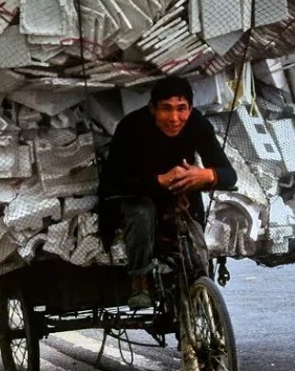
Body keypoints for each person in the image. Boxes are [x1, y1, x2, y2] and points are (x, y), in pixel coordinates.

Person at [98, 77, 237, 309]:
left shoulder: (196, 124)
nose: (174, 119)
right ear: (153, 109)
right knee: (142, 212)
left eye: (181, 109)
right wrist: (159, 180)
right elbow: (111, 184)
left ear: (190, 109)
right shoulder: (131, 127)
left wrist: (204, 176)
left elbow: (228, 174)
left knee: (196, 258)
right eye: (166, 109)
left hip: (180, 198)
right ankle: (139, 279)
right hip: (137, 198)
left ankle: (197, 304)